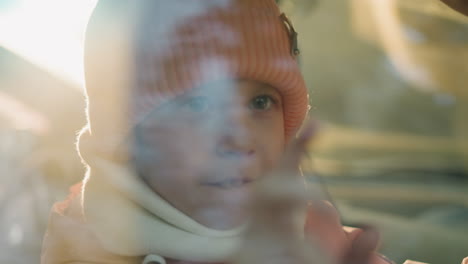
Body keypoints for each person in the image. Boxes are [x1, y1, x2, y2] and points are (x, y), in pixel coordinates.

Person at [41, 1, 393, 263]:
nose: (239, 138)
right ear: (126, 136)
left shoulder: (320, 236)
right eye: (197, 106)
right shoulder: (85, 250)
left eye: (260, 103)